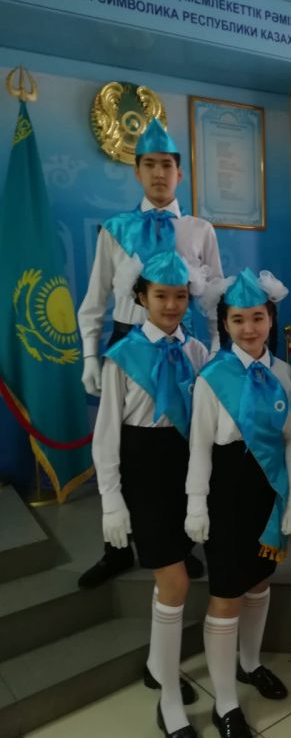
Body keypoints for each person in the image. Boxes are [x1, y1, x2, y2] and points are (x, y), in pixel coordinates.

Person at [78, 117, 222, 588]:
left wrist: (217, 353)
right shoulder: (116, 229)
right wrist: (90, 355)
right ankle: (117, 547)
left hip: (182, 346)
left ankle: (175, 546)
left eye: (167, 165)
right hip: (129, 342)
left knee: (179, 446)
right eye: (150, 165)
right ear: (137, 171)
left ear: (180, 173)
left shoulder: (200, 230)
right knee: (124, 445)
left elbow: (214, 299)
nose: (159, 173)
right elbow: (95, 297)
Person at [92, 250, 209, 738]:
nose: (172, 305)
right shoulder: (122, 356)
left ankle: (157, 667)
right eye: (161, 295)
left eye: (180, 296)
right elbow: (106, 434)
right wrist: (111, 501)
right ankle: (169, 702)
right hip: (143, 474)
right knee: (175, 582)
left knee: (174, 579)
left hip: (187, 470)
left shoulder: (198, 350)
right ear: (141, 298)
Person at [185, 267, 291, 738]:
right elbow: (199, 447)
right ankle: (225, 704)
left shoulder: (283, 373)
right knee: (226, 595)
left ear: (271, 319)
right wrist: (196, 504)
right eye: (238, 320)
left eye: (258, 318)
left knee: (259, 580)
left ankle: (249, 663)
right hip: (227, 493)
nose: (249, 328)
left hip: (266, 490)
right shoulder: (212, 378)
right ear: (225, 324)